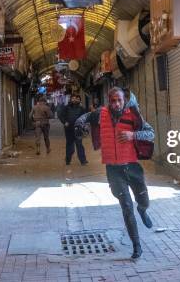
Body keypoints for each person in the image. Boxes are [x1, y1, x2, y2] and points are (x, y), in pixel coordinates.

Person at [75, 87, 154, 259]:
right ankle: (137, 246)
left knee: (143, 201)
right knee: (126, 207)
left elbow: (151, 133)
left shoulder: (133, 114)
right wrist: (79, 123)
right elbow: (84, 118)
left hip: (132, 167)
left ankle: (143, 210)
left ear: (123, 100)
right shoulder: (100, 114)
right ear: (108, 101)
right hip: (113, 170)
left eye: (119, 100)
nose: (116, 103)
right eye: (113, 100)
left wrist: (133, 135)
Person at [57, 94, 88, 165]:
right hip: (69, 129)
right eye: (73, 98)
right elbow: (60, 115)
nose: (74, 99)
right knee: (70, 144)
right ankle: (68, 159)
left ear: (78, 100)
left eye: (76, 98)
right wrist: (64, 122)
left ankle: (83, 160)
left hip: (78, 129)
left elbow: (85, 117)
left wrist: (84, 125)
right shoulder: (66, 107)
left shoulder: (82, 108)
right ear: (70, 99)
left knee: (79, 144)